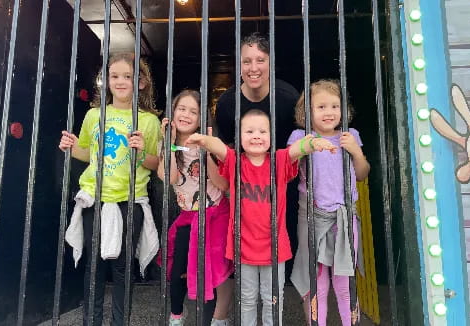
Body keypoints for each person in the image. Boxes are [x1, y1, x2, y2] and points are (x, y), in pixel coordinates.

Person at [185, 109, 336, 326]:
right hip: (244, 245)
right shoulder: (237, 161)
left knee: (272, 299)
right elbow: (220, 149)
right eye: (250, 131)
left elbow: (296, 150)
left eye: (262, 131)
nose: (256, 135)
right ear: (240, 137)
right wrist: (204, 140)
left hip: (275, 247)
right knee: (246, 299)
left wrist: (312, 144)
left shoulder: (278, 160)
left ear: (271, 136)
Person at [58, 52, 161, 326]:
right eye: (114, 76)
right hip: (95, 197)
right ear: (105, 81)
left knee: (122, 268)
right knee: (94, 267)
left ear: (141, 83)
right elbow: (89, 153)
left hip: (130, 200)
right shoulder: (94, 115)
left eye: (128, 76)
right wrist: (71, 147)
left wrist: (140, 152)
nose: (120, 81)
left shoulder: (149, 121)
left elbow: (156, 163)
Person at [214, 31, 301, 280]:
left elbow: (298, 149)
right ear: (238, 65)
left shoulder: (288, 98)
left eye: (260, 60)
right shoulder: (228, 103)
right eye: (246, 61)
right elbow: (226, 150)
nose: (253, 68)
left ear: (271, 63)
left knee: (283, 253)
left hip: (283, 187)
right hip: (245, 190)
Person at [288, 79, 370, 326]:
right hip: (313, 218)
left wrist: (356, 151)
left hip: (344, 219)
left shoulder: (350, 136)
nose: (329, 112)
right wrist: (306, 147)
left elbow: (363, 173)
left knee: (345, 284)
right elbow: (287, 168)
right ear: (307, 111)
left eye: (335, 106)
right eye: (321, 106)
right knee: (318, 286)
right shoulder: (300, 136)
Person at [157, 90, 234, 326]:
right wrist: (169, 143)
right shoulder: (169, 144)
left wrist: (206, 153)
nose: (186, 115)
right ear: (172, 112)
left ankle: (219, 318)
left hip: (216, 214)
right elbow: (166, 177)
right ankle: (177, 315)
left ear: (202, 118)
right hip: (188, 215)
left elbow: (223, 184)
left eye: (194, 111)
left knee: (218, 270)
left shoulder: (212, 144)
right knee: (178, 267)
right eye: (182, 109)